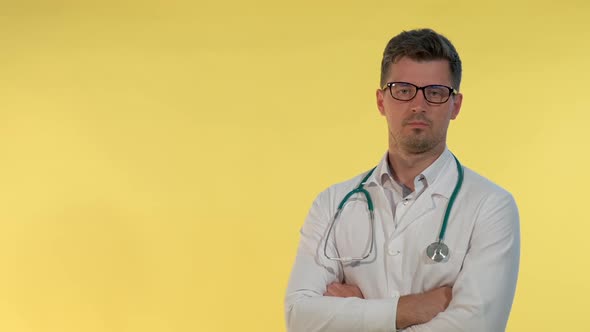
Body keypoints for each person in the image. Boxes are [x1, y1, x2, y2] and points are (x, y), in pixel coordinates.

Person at [284, 28, 520, 332]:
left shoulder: (490, 206)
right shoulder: (333, 204)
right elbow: (299, 317)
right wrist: (410, 308)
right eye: (403, 89)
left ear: (455, 106)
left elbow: (477, 326)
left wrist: (357, 313)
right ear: (382, 101)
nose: (418, 105)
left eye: (434, 92)